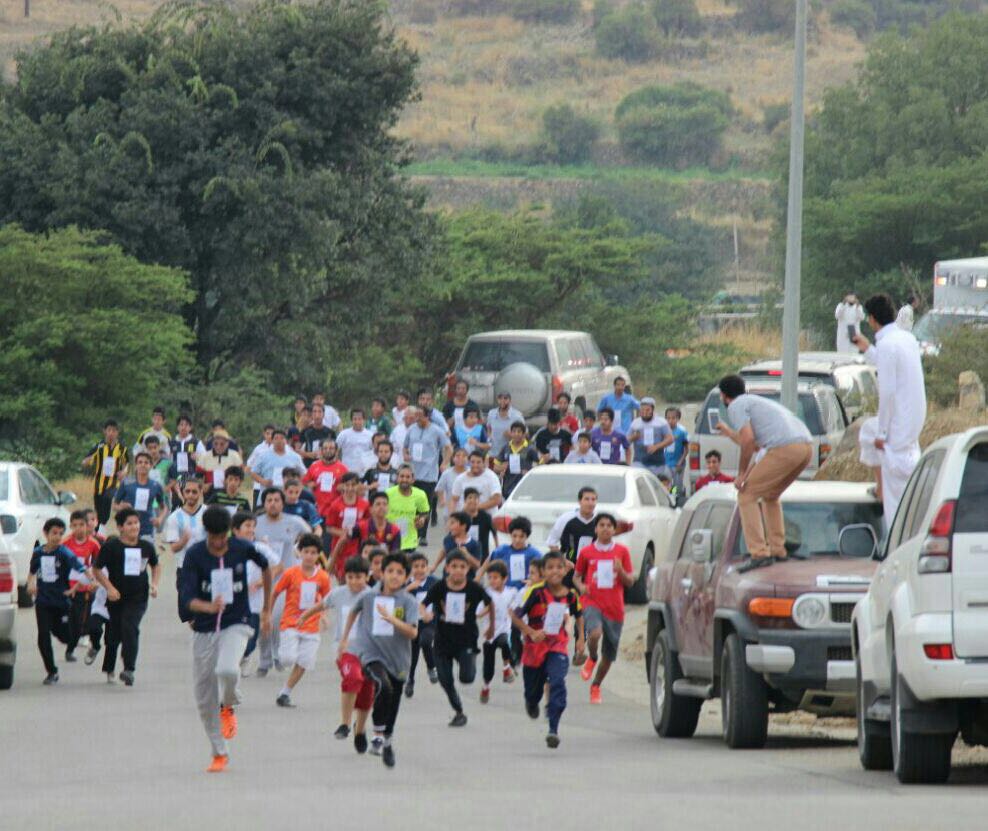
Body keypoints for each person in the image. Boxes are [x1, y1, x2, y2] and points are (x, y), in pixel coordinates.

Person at [179, 506, 273, 773]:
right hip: (205, 629)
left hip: (237, 622)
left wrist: (266, 609)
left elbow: (266, 568)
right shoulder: (195, 556)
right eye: (215, 537)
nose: (220, 542)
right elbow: (187, 597)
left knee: (228, 669)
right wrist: (206, 607)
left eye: (224, 536)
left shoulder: (241, 548)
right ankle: (219, 752)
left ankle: (229, 703)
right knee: (203, 697)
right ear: (206, 533)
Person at [716, 375, 813, 570]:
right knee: (770, 495)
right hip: (805, 448)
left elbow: (748, 441)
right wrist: (728, 432)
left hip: (784, 449)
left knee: (746, 496)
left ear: (724, 396)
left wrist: (742, 474)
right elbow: (756, 445)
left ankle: (759, 553)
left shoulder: (736, 406)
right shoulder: (756, 402)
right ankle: (778, 549)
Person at [338, 552, 419, 768]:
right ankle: (377, 733)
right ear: (381, 573)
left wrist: (392, 619)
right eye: (390, 571)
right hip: (371, 654)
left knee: (392, 703)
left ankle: (387, 742)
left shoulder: (409, 602)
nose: (394, 576)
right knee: (383, 685)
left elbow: (412, 633)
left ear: (406, 577)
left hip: (399, 660)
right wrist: (345, 639)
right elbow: (353, 613)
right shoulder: (369, 597)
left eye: (400, 573)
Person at [854, 293, 927, 523]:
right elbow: (888, 363)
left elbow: (887, 393)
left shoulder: (887, 344)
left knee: (896, 502)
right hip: (913, 420)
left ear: (873, 319)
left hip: (898, 425)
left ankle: (885, 495)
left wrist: (883, 434)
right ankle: (879, 487)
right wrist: (867, 349)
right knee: (867, 431)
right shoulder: (906, 338)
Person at [510, 551, 584, 749]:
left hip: (557, 644)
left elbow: (579, 614)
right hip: (534, 648)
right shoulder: (536, 592)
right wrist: (530, 632)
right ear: (543, 571)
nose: (555, 572)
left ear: (564, 570)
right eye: (550, 568)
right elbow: (515, 616)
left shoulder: (570, 594)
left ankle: (553, 728)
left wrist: (580, 640)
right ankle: (531, 702)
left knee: (558, 682)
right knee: (533, 691)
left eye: (559, 567)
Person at [298, 555, 371, 739]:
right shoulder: (338, 594)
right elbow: (322, 605)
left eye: (359, 577)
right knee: (352, 679)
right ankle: (345, 724)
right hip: (344, 650)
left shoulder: (372, 596)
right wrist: (305, 616)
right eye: (350, 577)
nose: (354, 581)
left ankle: (359, 727)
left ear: (367, 577)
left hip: (369, 652)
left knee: (366, 693)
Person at [423, 550, 494, 727]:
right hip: (442, 642)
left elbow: (490, 603)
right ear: (447, 568)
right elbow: (423, 604)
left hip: (466, 641)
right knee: (446, 681)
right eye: (454, 566)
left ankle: (470, 660)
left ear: (468, 569)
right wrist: (425, 614)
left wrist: (489, 624)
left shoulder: (474, 588)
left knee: (467, 678)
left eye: (462, 567)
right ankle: (459, 711)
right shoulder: (439, 587)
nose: (457, 570)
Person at [91, 508, 160, 685]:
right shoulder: (111, 547)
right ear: (121, 527)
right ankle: (109, 667)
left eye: (136, 523)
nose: (134, 526)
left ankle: (129, 669)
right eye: (129, 523)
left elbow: (155, 565)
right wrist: (109, 588)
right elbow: (97, 569)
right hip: (116, 597)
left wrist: (154, 584)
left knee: (130, 627)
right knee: (113, 633)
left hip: (138, 597)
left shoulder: (146, 546)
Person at [573, 513, 633, 704]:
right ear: (595, 529)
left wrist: (620, 571)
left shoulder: (622, 552)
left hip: (614, 607)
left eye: (609, 525)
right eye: (601, 525)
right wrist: (582, 587)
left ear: (614, 530)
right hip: (592, 601)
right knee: (595, 633)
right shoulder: (586, 552)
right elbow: (576, 576)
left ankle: (596, 685)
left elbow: (630, 581)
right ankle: (591, 656)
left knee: (609, 655)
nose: (605, 528)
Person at [28, 518, 95, 684]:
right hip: (43, 601)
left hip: (61, 602)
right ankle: (52, 671)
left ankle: (81, 640)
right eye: (53, 533)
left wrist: (91, 580)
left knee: (66, 636)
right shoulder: (38, 552)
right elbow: (32, 572)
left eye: (60, 534)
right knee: (43, 635)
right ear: (46, 533)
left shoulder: (64, 553)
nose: (57, 537)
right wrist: (31, 584)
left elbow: (81, 568)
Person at [254, 488, 311, 676]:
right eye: (269, 500)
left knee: (278, 619)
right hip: (262, 579)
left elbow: (310, 535)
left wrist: (300, 552)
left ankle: (278, 655)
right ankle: (264, 660)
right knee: (264, 620)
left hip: (286, 579)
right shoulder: (256, 524)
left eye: (276, 500)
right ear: (264, 503)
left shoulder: (293, 522)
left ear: (282, 502)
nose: (273, 503)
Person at [270, 534, 331, 708]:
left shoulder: (323, 577)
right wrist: (268, 612)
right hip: (291, 622)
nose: (310, 556)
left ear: (318, 555)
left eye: (313, 552)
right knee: (288, 658)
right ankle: (283, 654)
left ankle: (285, 693)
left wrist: (324, 615)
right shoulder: (291, 573)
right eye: (306, 552)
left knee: (304, 662)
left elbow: (327, 598)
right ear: (300, 553)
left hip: (311, 626)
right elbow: (275, 592)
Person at [478, 516, 542, 666]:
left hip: (523, 594)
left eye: (522, 536)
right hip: (504, 592)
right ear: (510, 535)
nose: (518, 540)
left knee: (516, 624)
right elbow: (489, 563)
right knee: (507, 622)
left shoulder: (534, 553)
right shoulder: (502, 550)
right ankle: (511, 652)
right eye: (515, 536)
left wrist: (533, 581)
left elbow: (542, 571)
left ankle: (516, 653)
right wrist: (478, 576)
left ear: (527, 536)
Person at [231, 512, 281, 677]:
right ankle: (234, 661)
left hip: (255, 601)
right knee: (235, 633)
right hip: (234, 601)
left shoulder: (260, 548)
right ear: (235, 530)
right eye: (247, 526)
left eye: (253, 526)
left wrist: (261, 582)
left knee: (252, 638)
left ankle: (245, 656)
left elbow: (277, 566)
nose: (251, 530)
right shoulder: (227, 549)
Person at [403, 405, 451, 546]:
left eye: (420, 415)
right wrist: (405, 454)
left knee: (424, 505)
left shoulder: (436, 431)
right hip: (413, 474)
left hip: (429, 474)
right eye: (416, 415)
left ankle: (422, 535)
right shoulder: (412, 429)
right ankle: (412, 533)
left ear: (427, 416)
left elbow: (448, 448)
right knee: (412, 505)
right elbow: (405, 446)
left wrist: (445, 463)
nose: (417, 418)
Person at [164, 478, 206, 622]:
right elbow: (174, 548)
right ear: (182, 493)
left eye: (194, 492)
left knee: (205, 608)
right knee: (188, 612)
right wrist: (184, 540)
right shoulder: (175, 517)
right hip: (185, 568)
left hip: (205, 568)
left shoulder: (208, 513)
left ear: (200, 492)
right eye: (187, 491)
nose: (190, 495)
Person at [547, 486, 600, 598]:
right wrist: (564, 561)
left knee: (587, 603)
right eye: (587, 499)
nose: (590, 503)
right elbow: (552, 542)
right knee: (565, 602)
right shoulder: (566, 519)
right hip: (568, 569)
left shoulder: (599, 521)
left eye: (593, 499)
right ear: (579, 501)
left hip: (591, 569)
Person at [63, 510, 101, 664]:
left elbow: (98, 566)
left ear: (87, 526)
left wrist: (95, 582)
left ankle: (73, 648)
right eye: (75, 525)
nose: (78, 528)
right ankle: (70, 645)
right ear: (71, 526)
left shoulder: (93, 544)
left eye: (82, 525)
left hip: (85, 588)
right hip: (68, 587)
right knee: (71, 621)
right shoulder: (65, 543)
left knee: (81, 621)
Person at [479, 560, 518, 703]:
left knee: (504, 642)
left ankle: (506, 667)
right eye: (489, 577)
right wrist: (484, 611)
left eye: (495, 577)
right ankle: (486, 686)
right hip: (489, 634)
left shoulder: (511, 592)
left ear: (504, 578)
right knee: (488, 666)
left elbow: (517, 605)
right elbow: (479, 611)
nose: (492, 581)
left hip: (504, 629)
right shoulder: (486, 594)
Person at [82, 419, 129, 532]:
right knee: (98, 509)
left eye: (114, 430)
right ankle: (97, 531)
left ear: (117, 432)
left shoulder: (122, 449)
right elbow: (86, 460)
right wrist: (86, 462)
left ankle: (102, 525)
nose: (111, 433)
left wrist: (124, 472)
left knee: (108, 498)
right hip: (99, 484)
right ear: (105, 431)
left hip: (113, 483)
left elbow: (126, 464)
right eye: (109, 430)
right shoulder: (99, 447)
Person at [111, 451, 167, 544]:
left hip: (147, 526)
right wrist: (121, 507)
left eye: (146, 462)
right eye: (140, 462)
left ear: (151, 465)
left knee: (146, 555)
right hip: (128, 526)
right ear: (136, 465)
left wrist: (160, 519)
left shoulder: (155, 485)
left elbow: (163, 507)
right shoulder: (126, 483)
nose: (143, 465)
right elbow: (114, 505)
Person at [404, 552, 439, 697]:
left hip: (429, 622)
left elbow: (442, 598)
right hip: (413, 623)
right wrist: (408, 588)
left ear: (428, 567)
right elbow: (396, 598)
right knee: (413, 654)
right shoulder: (406, 584)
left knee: (426, 641)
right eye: (416, 566)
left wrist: (434, 615)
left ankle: (431, 667)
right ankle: (410, 680)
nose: (420, 569)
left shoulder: (434, 582)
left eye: (423, 566)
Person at [325, 473, 370, 580]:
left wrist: (357, 534)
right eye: (347, 485)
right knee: (343, 579)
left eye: (353, 485)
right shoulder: (335, 505)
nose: (350, 488)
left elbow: (368, 525)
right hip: (340, 548)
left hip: (357, 548)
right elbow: (329, 528)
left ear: (358, 486)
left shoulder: (364, 505)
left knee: (358, 577)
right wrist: (344, 534)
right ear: (342, 486)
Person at [386, 466, 430, 552]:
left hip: (410, 541)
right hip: (390, 539)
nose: (404, 480)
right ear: (397, 478)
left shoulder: (420, 495)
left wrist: (422, 520)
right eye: (402, 476)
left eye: (408, 477)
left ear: (413, 479)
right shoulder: (388, 493)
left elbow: (425, 512)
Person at [302, 439, 348, 519]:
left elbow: (352, 487)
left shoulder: (343, 468)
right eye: (325, 448)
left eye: (331, 448)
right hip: (316, 510)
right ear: (321, 450)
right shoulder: (314, 466)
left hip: (335, 510)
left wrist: (344, 487)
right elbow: (303, 483)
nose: (328, 450)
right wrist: (309, 485)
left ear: (336, 451)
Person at [629, 397, 674, 476]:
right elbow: (626, 441)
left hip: (657, 462)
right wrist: (633, 437)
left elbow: (670, 439)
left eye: (647, 410)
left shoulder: (661, 422)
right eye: (642, 410)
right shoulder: (635, 424)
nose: (644, 413)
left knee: (658, 485)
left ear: (653, 410)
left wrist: (656, 446)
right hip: (639, 461)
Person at [495, 421, 540, 498]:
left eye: (519, 431)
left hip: (524, 486)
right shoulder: (505, 448)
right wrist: (502, 468)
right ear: (511, 433)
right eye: (514, 431)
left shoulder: (530, 448)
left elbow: (539, 465)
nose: (516, 434)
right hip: (508, 486)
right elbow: (495, 468)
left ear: (523, 434)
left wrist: (529, 472)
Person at [351, 492, 402, 560]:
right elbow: (343, 541)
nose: (382, 507)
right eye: (378, 504)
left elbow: (396, 556)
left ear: (388, 508)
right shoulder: (360, 527)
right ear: (371, 509)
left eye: (385, 504)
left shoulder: (395, 530)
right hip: (363, 566)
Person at [196, 429, 244, 497]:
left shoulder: (235, 456)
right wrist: (202, 485)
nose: (218, 447)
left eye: (222, 444)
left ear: (227, 443)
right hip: (209, 494)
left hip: (229, 494)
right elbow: (198, 476)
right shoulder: (205, 456)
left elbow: (241, 476)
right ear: (212, 443)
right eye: (216, 444)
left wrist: (235, 486)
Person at [337, 408, 376, 476]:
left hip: (364, 473)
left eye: (360, 419)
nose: (357, 421)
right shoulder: (343, 434)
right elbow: (335, 450)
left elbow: (374, 453)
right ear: (351, 420)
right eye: (355, 419)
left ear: (364, 420)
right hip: (346, 472)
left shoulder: (370, 435)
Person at [485, 391, 524, 458]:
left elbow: (525, 434)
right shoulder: (491, 413)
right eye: (500, 398)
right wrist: (489, 440)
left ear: (510, 400)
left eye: (505, 398)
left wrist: (512, 435)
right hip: (493, 453)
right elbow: (488, 428)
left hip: (509, 455)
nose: (502, 401)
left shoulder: (517, 415)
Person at [244, 424, 275, 509]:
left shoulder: (278, 448)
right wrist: (257, 476)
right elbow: (249, 466)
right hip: (258, 486)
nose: (269, 436)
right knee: (257, 510)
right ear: (264, 434)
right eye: (267, 433)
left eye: (272, 434)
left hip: (273, 485)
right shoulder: (258, 449)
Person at [462, 488, 496, 563]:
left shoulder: (486, 517)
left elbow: (495, 534)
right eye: (470, 497)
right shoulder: (461, 517)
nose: (473, 500)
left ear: (479, 501)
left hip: (482, 557)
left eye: (475, 498)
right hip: (463, 557)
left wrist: (497, 552)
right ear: (465, 500)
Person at [435, 447, 468, 520]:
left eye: (464, 456)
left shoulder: (471, 473)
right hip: (450, 512)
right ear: (453, 458)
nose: (461, 458)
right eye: (458, 455)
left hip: (468, 512)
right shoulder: (447, 473)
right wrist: (441, 499)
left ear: (467, 459)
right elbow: (439, 488)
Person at [301, 402, 338, 466]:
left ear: (323, 414)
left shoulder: (330, 433)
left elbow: (336, 451)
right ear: (312, 414)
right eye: (314, 412)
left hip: (326, 466)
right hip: (309, 466)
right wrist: (308, 454)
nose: (317, 415)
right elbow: (297, 450)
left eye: (319, 412)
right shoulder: (305, 432)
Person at [663, 407, 689, 498]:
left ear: (678, 419)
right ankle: (671, 498)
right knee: (666, 484)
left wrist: (680, 461)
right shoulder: (663, 431)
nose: (670, 420)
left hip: (678, 464)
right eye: (668, 418)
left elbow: (686, 449)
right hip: (666, 463)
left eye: (673, 418)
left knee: (677, 485)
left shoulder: (682, 432)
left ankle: (680, 493)